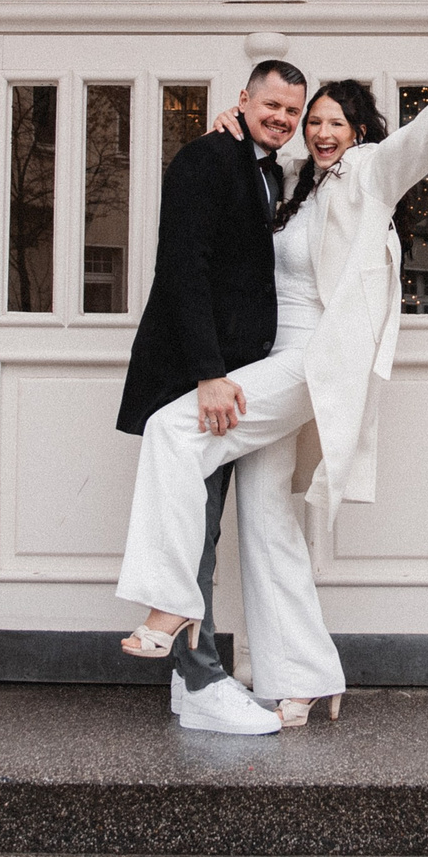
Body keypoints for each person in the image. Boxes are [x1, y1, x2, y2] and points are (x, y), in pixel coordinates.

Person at [115, 66, 428, 732]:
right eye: (309, 119)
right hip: (266, 358)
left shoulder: (368, 170)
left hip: (311, 361)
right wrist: (222, 137)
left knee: (173, 429)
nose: (316, 130)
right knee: (264, 519)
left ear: (359, 130)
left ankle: (168, 605)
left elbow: (414, 148)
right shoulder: (290, 185)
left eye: (331, 121)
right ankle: (304, 677)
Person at [112, 59, 307, 735]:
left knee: (206, 524)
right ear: (244, 100)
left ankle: (188, 676)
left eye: (292, 111)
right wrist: (208, 372)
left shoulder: (272, 170)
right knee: (196, 527)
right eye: (271, 104)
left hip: (237, 375)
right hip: (203, 376)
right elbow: (182, 266)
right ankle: (200, 680)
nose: (281, 118)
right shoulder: (207, 158)